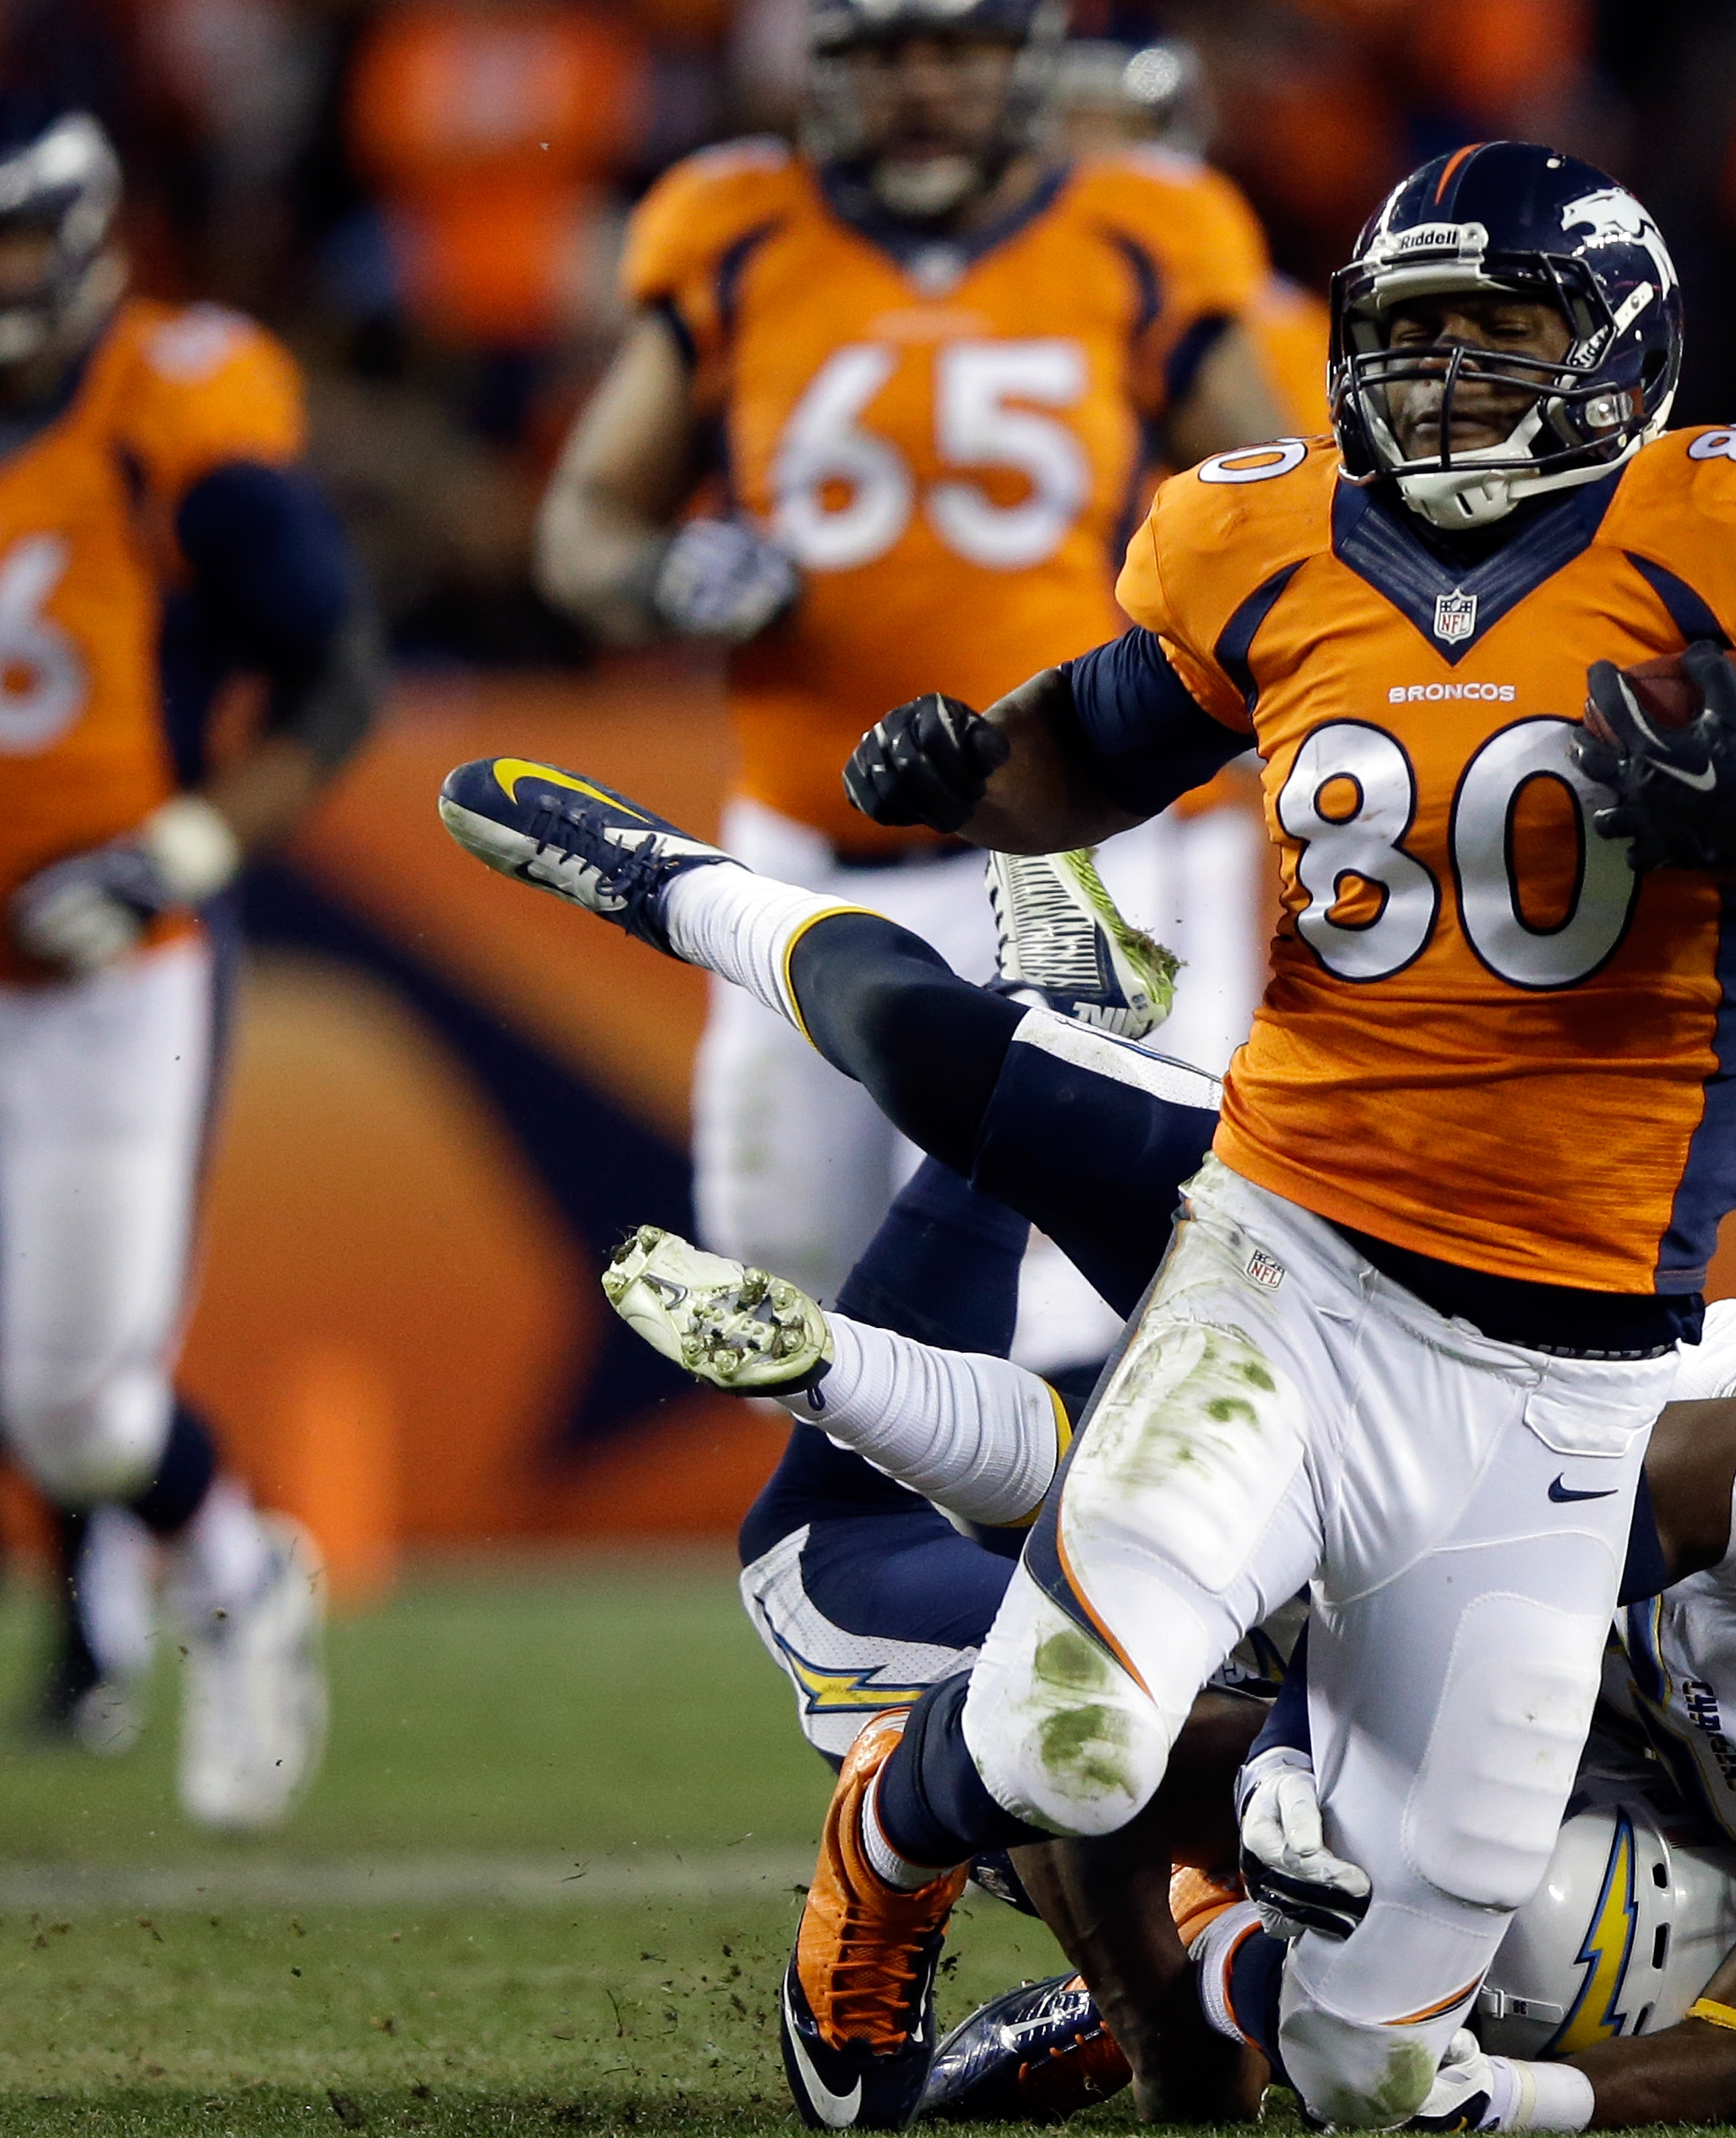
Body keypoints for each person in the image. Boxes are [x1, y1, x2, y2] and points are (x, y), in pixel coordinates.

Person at [443, 137, 1736, 2133]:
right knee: (1076, 1724)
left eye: (1497, 336)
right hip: (1288, 1253)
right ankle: (880, 1861)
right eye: (1408, 340)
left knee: (1366, 2056)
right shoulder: (1261, 536)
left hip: (1564, 1376)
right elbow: (1083, 751)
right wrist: (973, 774)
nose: (1440, 384)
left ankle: (1189, 1974)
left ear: (1618, 343)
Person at [554, 872, 1736, 2134]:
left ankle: (1209, 1982)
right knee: (865, 1567)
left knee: (1389, 1939)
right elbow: (1499, 1529)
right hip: (1437, 1387)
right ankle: (927, 1771)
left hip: (1577, 1734)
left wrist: (1519, 2104)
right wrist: (1305, 1771)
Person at [0, 88, 376, 1876]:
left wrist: (180, 853)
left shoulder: (174, 404)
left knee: (76, 1406)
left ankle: (237, 1570)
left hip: (108, 980)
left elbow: (334, 677)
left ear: (77, 245)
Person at [532, 0, 1291, 1347]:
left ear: (1025, 64)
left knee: (1087, 1297)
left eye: (958, 49)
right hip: (803, 856)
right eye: (884, 55)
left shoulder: (1138, 230)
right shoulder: (738, 231)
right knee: (795, 1296)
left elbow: (1290, 515)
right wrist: (663, 576)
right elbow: (585, 520)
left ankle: (1071, 1564)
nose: (922, 86)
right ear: (822, 74)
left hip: (1073, 859)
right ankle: (884, 1557)